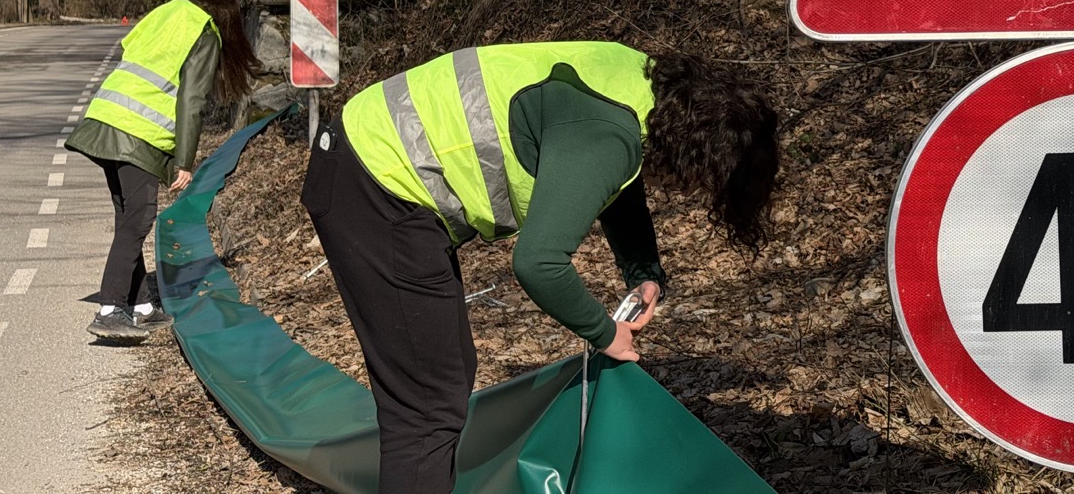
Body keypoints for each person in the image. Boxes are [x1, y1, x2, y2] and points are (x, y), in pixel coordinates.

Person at [298, 41, 779, 493]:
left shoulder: (635, 85)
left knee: (444, 377)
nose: (691, 193)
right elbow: (539, 264)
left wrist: (643, 271)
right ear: (698, 159)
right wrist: (604, 333)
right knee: (427, 405)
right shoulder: (607, 136)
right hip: (373, 185)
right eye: (703, 185)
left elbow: (619, 182)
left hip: (367, 157)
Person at [67, 0, 259, 341]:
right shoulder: (204, 32)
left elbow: (129, 49)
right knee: (139, 219)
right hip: (137, 132)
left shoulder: (164, 12)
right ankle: (110, 309)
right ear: (222, 1)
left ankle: (140, 306)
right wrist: (185, 161)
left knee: (128, 217)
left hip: (105, 117)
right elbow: (191, 100)